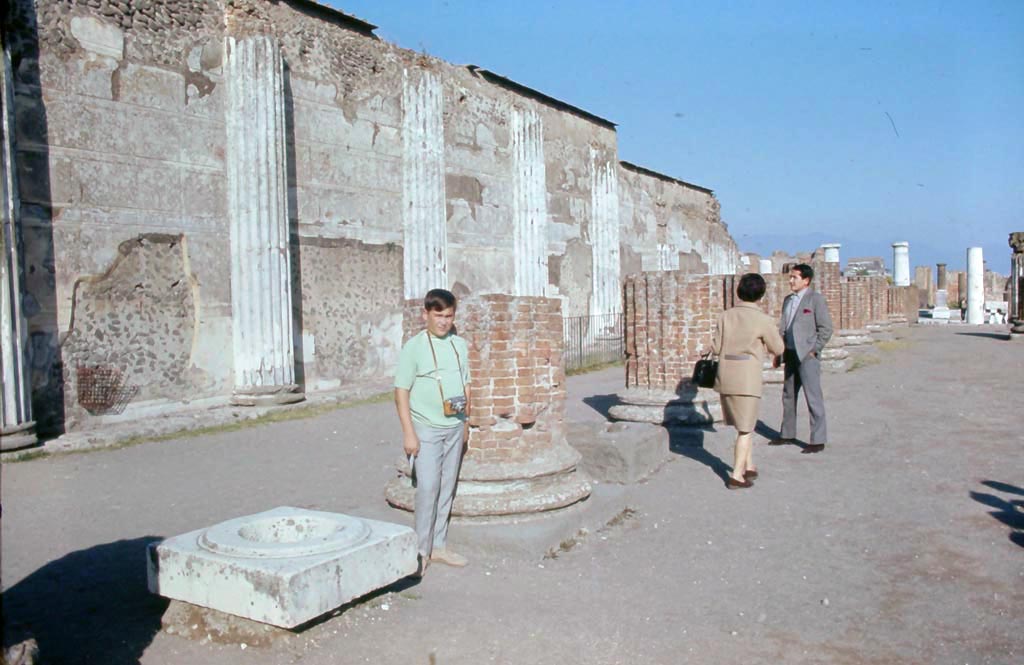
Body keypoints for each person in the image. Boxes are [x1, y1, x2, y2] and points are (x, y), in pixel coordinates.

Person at [394, 289, 471, 576]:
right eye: (438, 315)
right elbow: (401, 392)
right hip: (425, 428)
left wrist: (465, 424)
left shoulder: (458, 344)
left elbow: (466, 386)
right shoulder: (414, 347)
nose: (443, 322)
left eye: (448, 316)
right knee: (427, 488)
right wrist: (408, 433)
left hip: (454, 426)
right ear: (425, 314)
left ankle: (438, 545)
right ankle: (419, 551)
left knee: (447, 486)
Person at [712, 273, 785, 489]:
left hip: (725, 376)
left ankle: (749, 465)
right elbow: (778, 348)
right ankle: (736, 475)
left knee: (745, 425)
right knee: (745, 430)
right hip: (747, 379)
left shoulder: (725, 316)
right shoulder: (763, 319)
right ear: (761, 294)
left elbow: (715, 347)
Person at [770, 263, 833, 453]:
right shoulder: (788, 300)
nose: (791, 280)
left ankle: (818, 439)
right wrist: (778, 353)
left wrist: (814, 350)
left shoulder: (816, 300)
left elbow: (826, 328)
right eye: (790, 277)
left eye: (794, 277)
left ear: (806, 280)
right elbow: (784, 327)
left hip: (807, 355)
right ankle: (787, 433)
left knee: (812, 396)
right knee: (788, 395)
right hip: (789, 352)